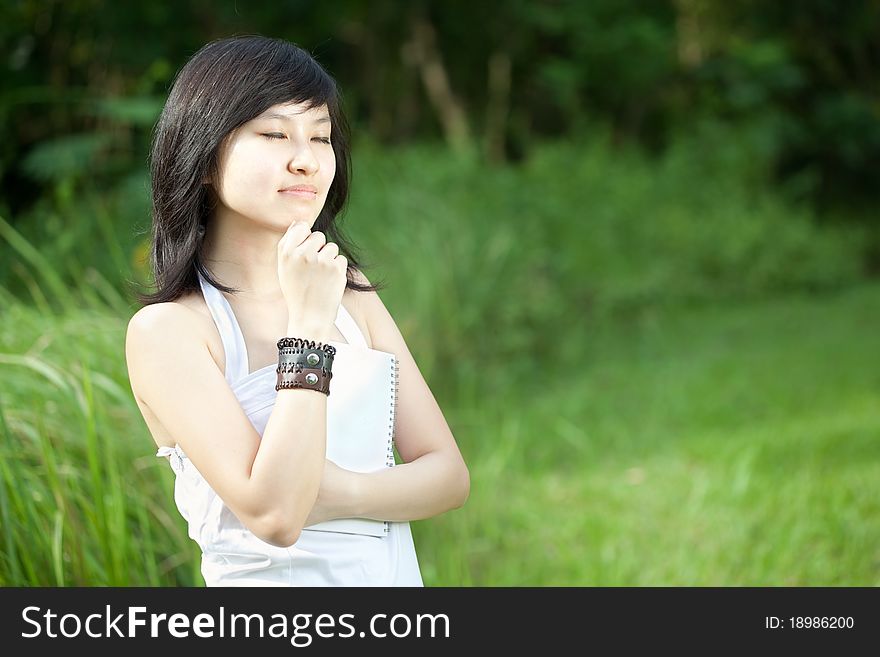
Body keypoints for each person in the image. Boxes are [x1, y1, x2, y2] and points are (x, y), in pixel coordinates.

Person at [124, 35, 470, 586]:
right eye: (274, 134)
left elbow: (448, 475)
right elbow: (277, 515)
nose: (306, 160)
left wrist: (338, 492)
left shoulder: (352, 293)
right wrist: (308, 326)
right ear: (204, 155)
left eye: (322, 137)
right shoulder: (171, 331)